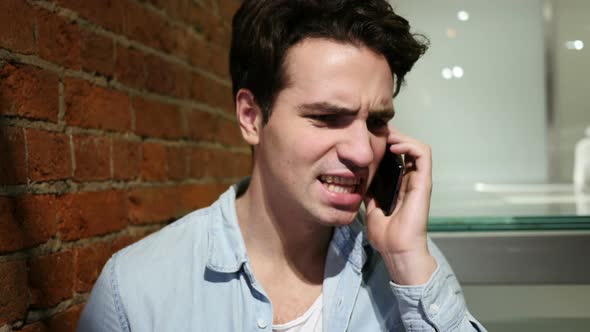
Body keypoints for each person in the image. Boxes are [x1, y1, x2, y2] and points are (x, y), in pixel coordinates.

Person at [78, 0, 487, 331]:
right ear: (251, 117)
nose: (364, 152)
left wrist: (407, 261)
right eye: (327, 117)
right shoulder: (137, 289)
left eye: (377, 121)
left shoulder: (408, 267)